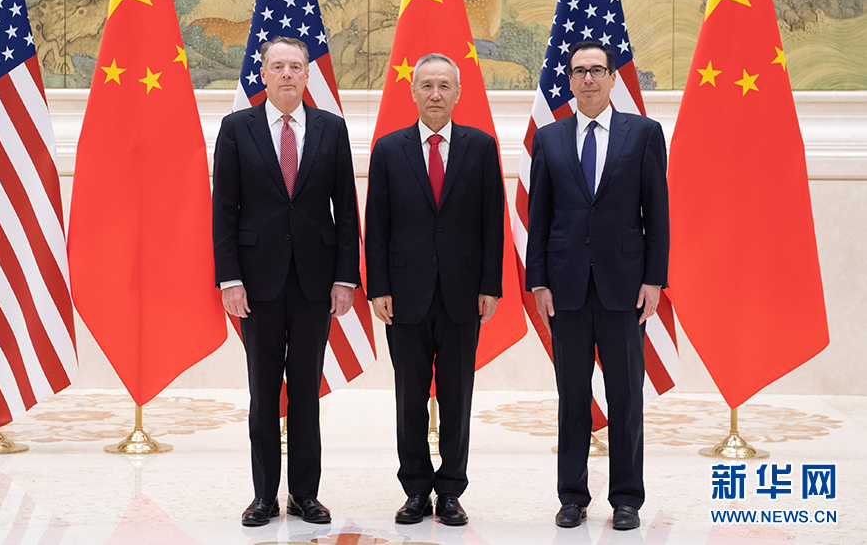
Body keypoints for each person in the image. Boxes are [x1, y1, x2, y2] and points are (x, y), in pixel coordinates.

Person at [212, 36, 360, 526]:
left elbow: (346, 209)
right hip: (257, 284)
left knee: (305, 394)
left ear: (307, 75)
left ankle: (304, 495)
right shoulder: (237, 129)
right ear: (263, 75)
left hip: (316, 282)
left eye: (296, 66)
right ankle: (263, 496)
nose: (287, 74)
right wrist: (230, 278)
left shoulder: (331, 128)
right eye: (277, 66)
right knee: (263, 395)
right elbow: (223, 210)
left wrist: (346, 277)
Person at [525, 41, 669, 531]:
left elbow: (657, 214)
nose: (588, 78)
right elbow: (539, 217)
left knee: (625, 395)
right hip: (565, 288)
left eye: (597, 70)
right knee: (572, 397)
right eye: (579, 71)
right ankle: (572, 496)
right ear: (569, 80)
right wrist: (538, 281)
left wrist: (654, 279)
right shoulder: (549, 139)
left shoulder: (643, 134)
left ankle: (626, 498)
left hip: (624, 288)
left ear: (612, 78)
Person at [365, 52, 504, 526]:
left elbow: (491, 221)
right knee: (409, 396)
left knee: (456, 396)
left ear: (458, 93)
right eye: (426, 85)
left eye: (444, 85)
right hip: (404, 295)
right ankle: (415, 490)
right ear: (413, 92)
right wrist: (378, 287)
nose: (435, 94)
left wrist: (490, 285)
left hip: (463, 294)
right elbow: (377, 224)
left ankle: (450, 491)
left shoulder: (481, 147)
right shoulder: (389, 149)